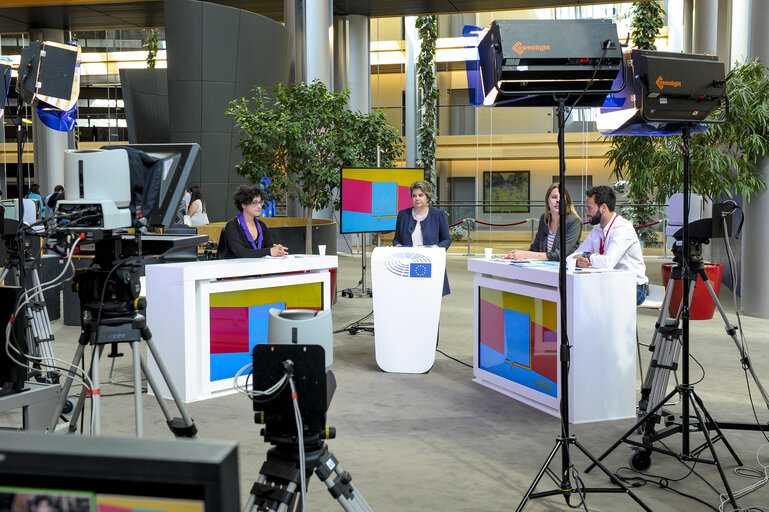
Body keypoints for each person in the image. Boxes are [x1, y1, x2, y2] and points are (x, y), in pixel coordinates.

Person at [571, 185, 649, 305]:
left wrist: (587, 256)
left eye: (589, 208)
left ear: (603, 207)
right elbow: (572, 256)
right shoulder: (597, 230)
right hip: (608, 284)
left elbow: (607, 263)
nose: (586, 212)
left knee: (593, 302)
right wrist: (577, 261)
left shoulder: (622, 228)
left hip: (633, 288)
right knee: (578, 296)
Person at [393, 180, 451, 295]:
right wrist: (397, 245)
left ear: (428, 197)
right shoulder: (403, 215)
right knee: (409, 297)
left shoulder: (438, 215)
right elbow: (396, 239)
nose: (417, 198)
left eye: (421, 195)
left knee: (429, 299)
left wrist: (438, 247)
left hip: (430, 264)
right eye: (414, 196)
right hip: (408, 265)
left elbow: (447, 239)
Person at [506, 183, 582, 261]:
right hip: (545, 268)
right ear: (547, 201)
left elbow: (560, 255)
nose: (558, 200)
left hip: (564, 269)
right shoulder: (545, 219)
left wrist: (526, 254)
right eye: (554, 197)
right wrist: (517, 255)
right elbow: (535, 248)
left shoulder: (574, 222)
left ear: (567, 202)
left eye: (562, 197)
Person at [220, 184, 288, 258]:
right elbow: (241, 253)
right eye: (255, 203)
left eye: (260, 202)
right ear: (243, 205)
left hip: (258, 266)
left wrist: (277, 250)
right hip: (237, 267)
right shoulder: (232, 225)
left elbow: (270, 247)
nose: (259, 206)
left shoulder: (261, 225)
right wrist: (269, 251)